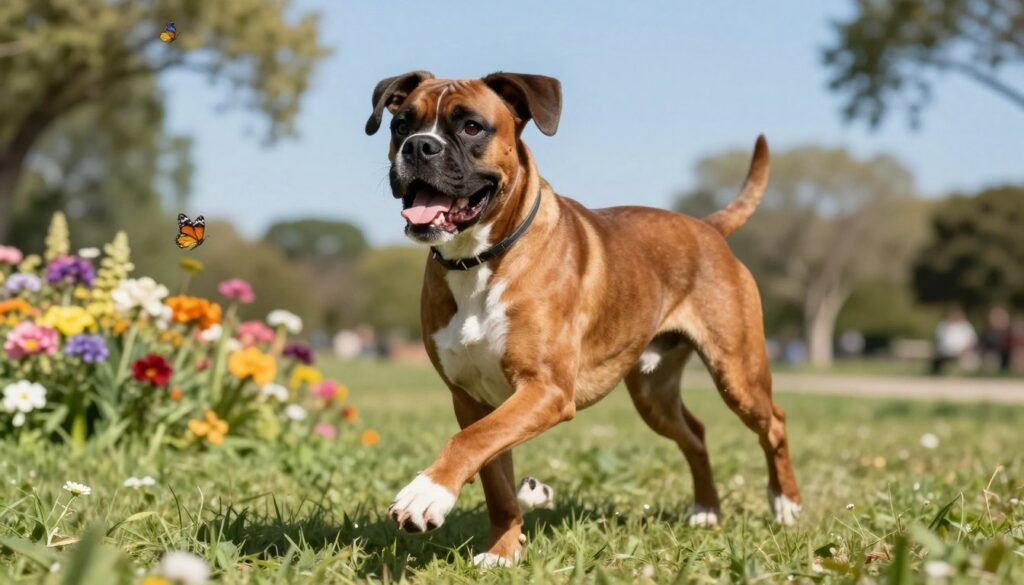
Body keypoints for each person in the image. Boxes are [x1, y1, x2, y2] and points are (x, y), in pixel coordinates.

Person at [930, 308, 977, 375]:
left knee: (971, 359)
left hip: (962, 352)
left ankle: (967, 375)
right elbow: (937, 340)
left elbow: (972, 341)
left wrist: (963, 349)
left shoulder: (966, 326)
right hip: (944, 352)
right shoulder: (943, 326)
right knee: (937, 358)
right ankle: (937, 373)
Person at [980, 307, 1012, 374]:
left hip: (1008, 356)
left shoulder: (1010, 333)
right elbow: (983, 347)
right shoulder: (987, 333)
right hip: (993, 356)